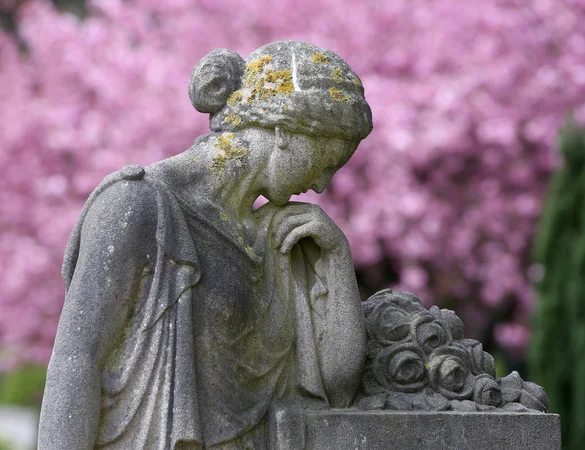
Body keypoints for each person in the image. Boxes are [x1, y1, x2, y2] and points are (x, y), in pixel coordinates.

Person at [38, 40, 372, 450]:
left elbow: (338, 388)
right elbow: (77, 362)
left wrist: (337, 255)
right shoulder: (136, 207)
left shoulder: (279, 236)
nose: (321, 184)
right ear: (285, 131)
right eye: (325, 162)